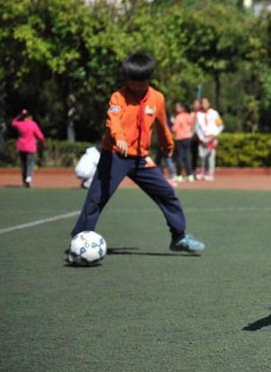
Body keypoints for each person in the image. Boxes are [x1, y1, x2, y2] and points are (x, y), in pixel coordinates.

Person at [68, 52, 205, 255]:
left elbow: (162, 124)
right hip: (115, 155)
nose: (137, 86)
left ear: (149, 79)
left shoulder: (157, 98)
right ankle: (78, 241)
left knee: (167, 193)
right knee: (96, 198)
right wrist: (120, 137)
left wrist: (168, 146)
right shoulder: (118, 97)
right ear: (127, 79)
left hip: (141, 159)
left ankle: (179, 237)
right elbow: (112, 119)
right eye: (133, 81)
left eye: (142, 82)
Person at [11, 109, 45, 188]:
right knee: (30, 163)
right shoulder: (33, 124)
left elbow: (13, 122)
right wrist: (42, 142)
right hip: (31, 147)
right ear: (29, 117)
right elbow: (41, 136)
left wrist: (20, 115)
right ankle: (28, 178)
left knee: (23, 164)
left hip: (21, 147)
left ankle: (24, 181)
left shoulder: (19, 124)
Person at [195, 97, 223, 181]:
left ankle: (210, 174)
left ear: (209, 103)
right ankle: (203, 172)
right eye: (202, 103)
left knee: (211, 156)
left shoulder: (214, 113)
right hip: (203, 138)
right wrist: (202, 139)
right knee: (202, 156)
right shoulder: (199, 114)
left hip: (212, 138)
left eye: (205, 102)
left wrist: (214, 136)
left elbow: (220, 126)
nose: (204, 104)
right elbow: (197, 128)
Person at [172, 101, 195, 182]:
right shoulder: (188, 116)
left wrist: (173, 123)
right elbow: (192, 123)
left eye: (177, 107)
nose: (176, 108)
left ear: (182, 108)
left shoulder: (179, 117)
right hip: (188, 137)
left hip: (180, 138)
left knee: (180, 157)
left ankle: (179, 175)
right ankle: (190, 175)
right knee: (187, 156)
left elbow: (174, 128)